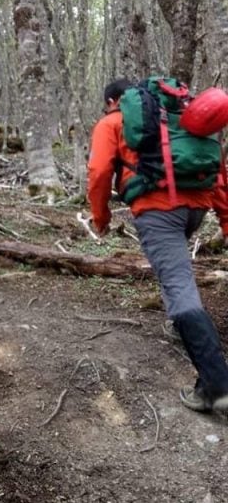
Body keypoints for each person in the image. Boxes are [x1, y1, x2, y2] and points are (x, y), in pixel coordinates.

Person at [87, 78, 228, 413]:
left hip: (158, 210)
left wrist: (101, 216)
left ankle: (217, 386)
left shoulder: (112, 122)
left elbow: (98, 170)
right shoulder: (178, 119)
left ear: (112, 101)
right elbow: (219, 173)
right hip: (196, 208)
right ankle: (182, 327)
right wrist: (224, 219)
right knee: (174, 274)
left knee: (179, 285)